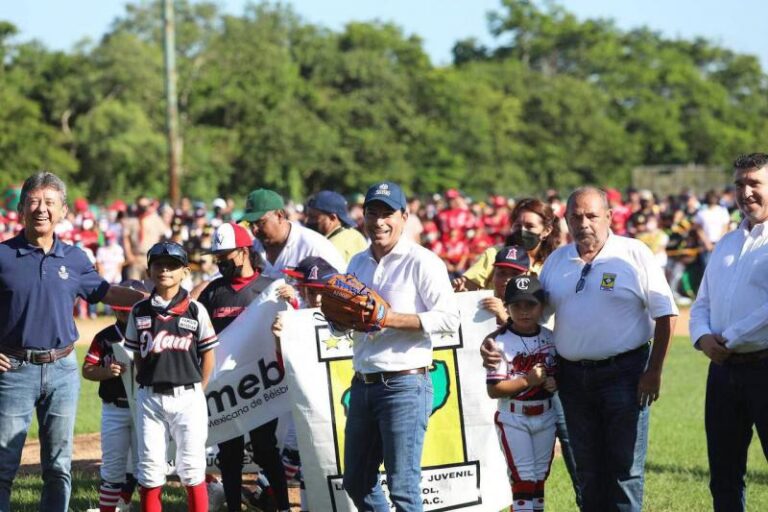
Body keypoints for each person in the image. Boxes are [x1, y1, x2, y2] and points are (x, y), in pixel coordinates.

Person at [0, 171, 146, 512]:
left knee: (58, 466)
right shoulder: (3, 256)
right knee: (4, 465)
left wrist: (154, 298)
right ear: (21, 209)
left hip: (63, 370)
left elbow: (106, 292)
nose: (41, 209)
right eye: (34, 202)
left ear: (63, 211)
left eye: (50, 203)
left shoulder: (76, 258)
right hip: (14, 369)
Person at [538, 187, 677, 512]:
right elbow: (535, 315)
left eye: (591, 215)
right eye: (575, 216)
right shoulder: (557, 261)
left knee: (624, 469)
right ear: (566, 220)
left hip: (625, 375)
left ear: (609, 217)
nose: (583, 223)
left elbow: (666, 314)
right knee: (587, 470)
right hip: (572, 380)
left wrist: (654, 371)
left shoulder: (633, 253)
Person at [342, 181, 459, 511]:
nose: (379, 221)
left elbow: (450, 319)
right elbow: (349, 320)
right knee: (357, 480)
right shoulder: (356, 263)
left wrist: (389, 318)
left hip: (405, 383)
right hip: (364, 382)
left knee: (403, 486)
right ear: (362, 216)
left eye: (387, 213)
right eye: (372, 213)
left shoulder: (423, 261)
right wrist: (337, 317)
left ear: (405, 216)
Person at [689, 153, 768, 512]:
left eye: (755, 183)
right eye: (740, 184)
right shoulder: (726, 243)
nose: (746, 192)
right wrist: (703, 337)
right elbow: (701, 300)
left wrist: (727, 338)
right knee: (723, 474)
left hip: (763, 367)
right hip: (722, 372)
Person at [197, 222, 287, 512]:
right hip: (225, 388)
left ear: (245, 251)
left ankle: (283, 505)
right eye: (218, 256)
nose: (221, 261)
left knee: (265, 448)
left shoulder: (269, 288)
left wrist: (290, 302)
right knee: (229, 451)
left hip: (260, 384)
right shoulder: (212, 292)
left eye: (226, 255)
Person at [124, 242, 218, 511]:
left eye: (172, 265)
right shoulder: (139, 310)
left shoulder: (195, 309)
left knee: (191, 467)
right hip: (150, 398)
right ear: (148, 269)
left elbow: (208, 353)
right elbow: (137, 356)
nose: (164, 269)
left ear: (185, 271)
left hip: (187, 396)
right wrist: (146, 380)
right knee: (150, 469)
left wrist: (199, 388)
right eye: (158, 264)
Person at [486, 275, 557, 512]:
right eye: (517, 305)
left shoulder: (550, 337)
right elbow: (494, 389)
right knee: (523, 479)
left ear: (542, 307)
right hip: (514, 416)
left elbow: (559, 373)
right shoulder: (499, 342)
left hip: (546, 416)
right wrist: (528, 380)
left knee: (538, 479)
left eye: (530, 304)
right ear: (507, 307)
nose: (524, 311)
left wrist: (554, 382)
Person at [83, 279, 149, 512]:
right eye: (121, 311)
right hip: (115, 409)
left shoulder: (149, 332)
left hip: (145, 406)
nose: (124, 316)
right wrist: (105, 371)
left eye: (128, 311)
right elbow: (87, 369)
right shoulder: (105, 336)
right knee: (112, 467)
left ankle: (134, 503)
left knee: (147, 468)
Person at [455, 198, 561, 291]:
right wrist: (460, 289)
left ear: (546, 231)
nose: (522, 230)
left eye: (530, 226)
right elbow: (467, 289)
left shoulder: (554, 262)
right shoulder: (495, 254)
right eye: (518, 225)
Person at [241, 188, 345, 279]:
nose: (254, 230)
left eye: (261, 222)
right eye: (251, 224)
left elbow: (341, 287)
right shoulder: (250, 250)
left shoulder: (314, 246)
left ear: (279, 215)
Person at [305, 190, 368, 263]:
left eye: (313, 217)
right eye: (308, 216)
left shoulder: (330, 248)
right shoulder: (355, 234)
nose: (308, 221)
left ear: (332, 218)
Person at [479, 245, 530, 325]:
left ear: (526, 277)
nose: (507, 279)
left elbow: (530, 334)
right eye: (502, 273)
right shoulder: (482, 302)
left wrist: (504, 317)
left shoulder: (534, 305)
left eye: (515, 274)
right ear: (493, 276)